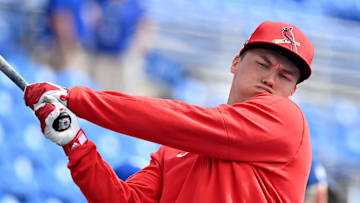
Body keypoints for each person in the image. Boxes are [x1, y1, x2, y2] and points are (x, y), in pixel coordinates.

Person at [24, 21, 314, 202]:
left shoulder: (288, 121)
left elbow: (181, 122)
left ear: (293, 91)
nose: (270, 79)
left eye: (286, 75)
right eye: (263, 64)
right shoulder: (173, 152)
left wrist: (76, 99)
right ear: (236, 62)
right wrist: (76, 143)